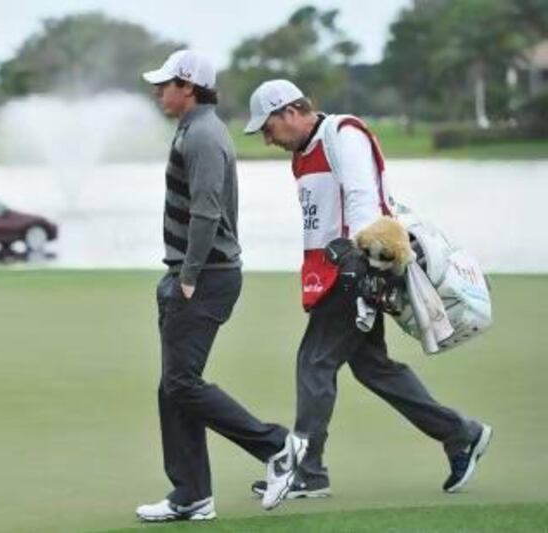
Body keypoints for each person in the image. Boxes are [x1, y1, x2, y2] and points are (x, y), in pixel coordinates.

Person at [243, 79, 492, 500]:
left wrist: (363, 268)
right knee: (372, 367)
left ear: (288, 112)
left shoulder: (343, 134)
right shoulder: (302, 154)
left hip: (355, 270)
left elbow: (363, 200)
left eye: (268, 128)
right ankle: (460, 433)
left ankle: (307, 470)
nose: (267, 139)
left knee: (315, 361)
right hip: (332, 273)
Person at [135, 52, 307, 522]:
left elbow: (208, 211)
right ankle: (191, 494)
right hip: (196, 275)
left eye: (164, 83)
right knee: (173, 386)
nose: (157, 92)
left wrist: (187, 276)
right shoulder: (195, 129)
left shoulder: (205, 135)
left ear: (187, 86)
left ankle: (277, 446)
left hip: (206, 277)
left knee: (180, 383)